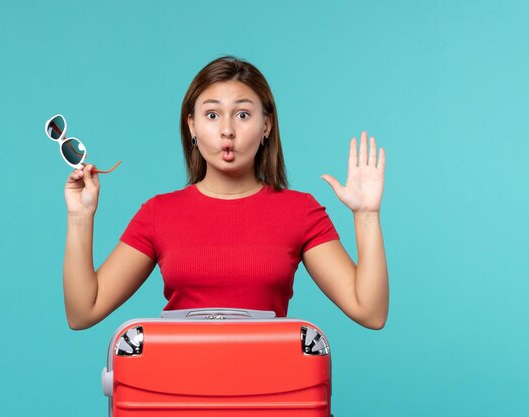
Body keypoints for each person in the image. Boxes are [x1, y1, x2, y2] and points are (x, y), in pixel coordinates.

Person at [62, 55, 388, 331]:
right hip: (179, 398)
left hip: (271, 398)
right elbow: (83, 311)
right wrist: (79, 217)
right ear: (191, 125)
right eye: (212, 114)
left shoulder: (299, 211)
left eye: (243, 114)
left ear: (266, 126)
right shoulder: (158, 213)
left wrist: (367, 216)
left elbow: (369, 311)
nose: (227, 129)